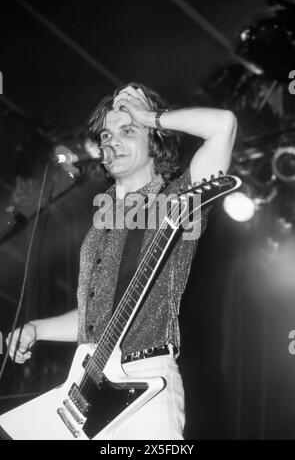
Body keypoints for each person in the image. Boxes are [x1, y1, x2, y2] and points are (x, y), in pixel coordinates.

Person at [6, 82, 237, 439]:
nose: (111, 141)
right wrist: (37, 328)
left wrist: (149, 117)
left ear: (154, 140)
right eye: (106, 134)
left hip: (144, 383)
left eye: (127, 131)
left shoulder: (178, 198)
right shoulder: (101, 224)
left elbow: (223, 126)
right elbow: (94, 321)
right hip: (83, 388)